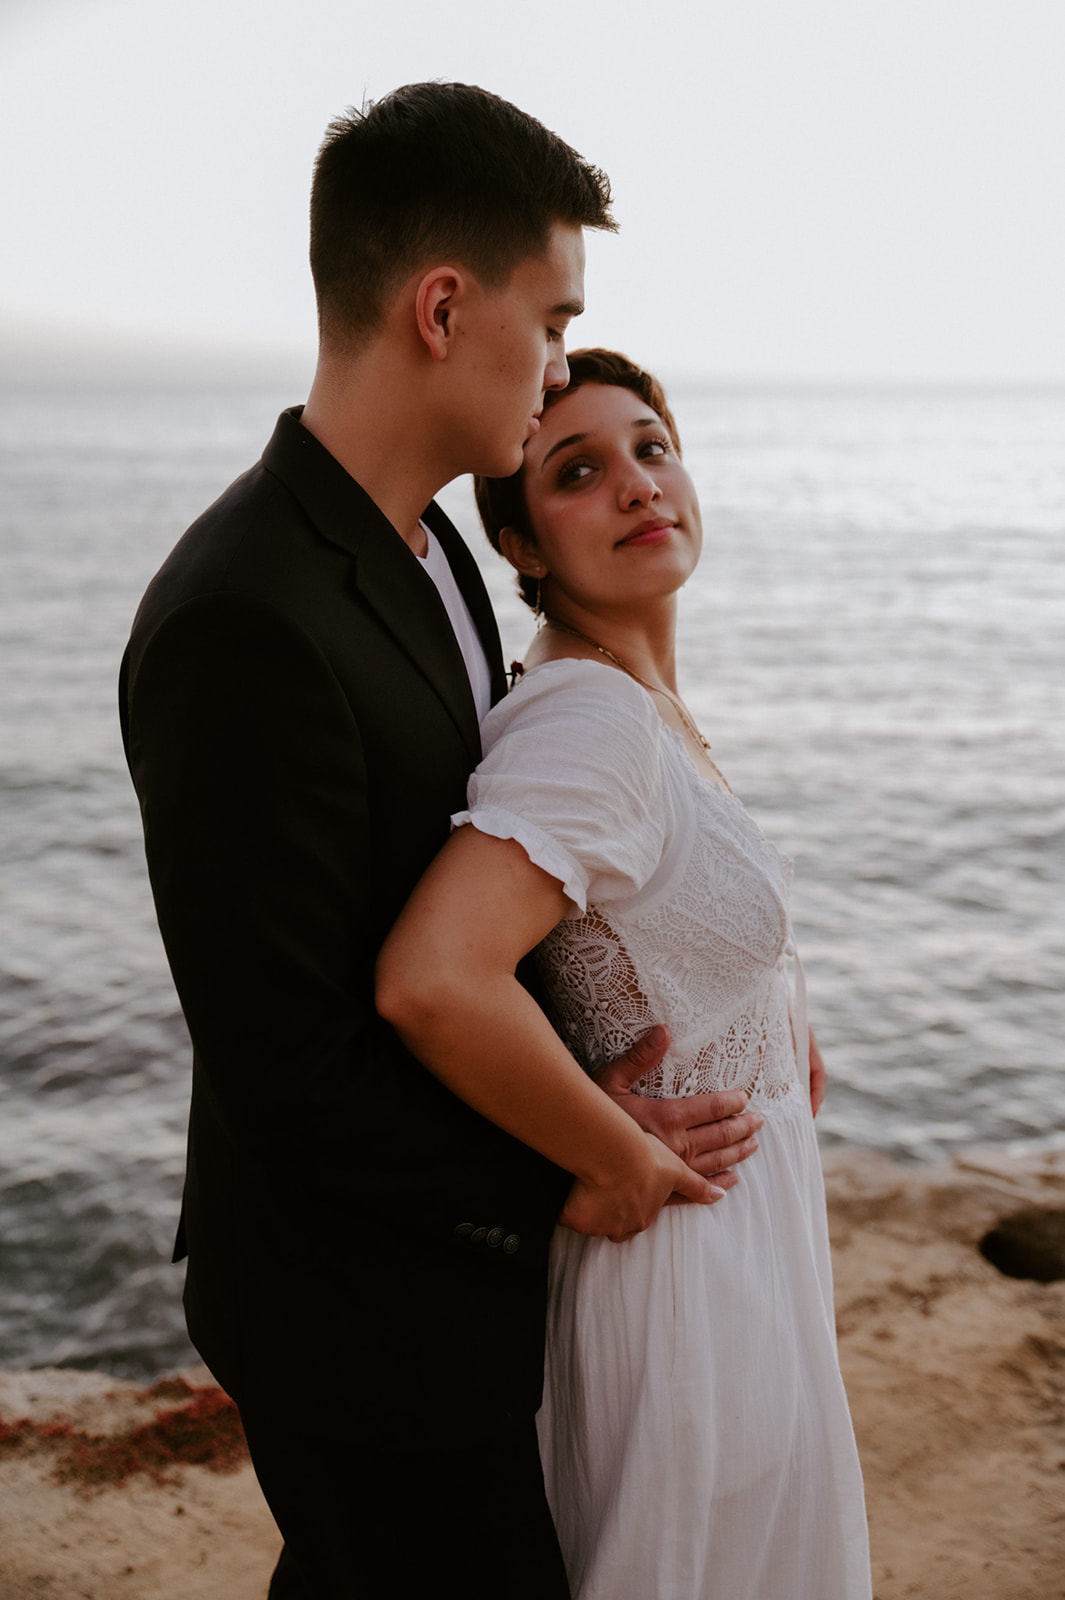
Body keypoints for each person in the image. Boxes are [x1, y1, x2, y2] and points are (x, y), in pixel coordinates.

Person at [119, 88, 764, 1598]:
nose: (554, 368)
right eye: (553, 322)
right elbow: (289, 1063)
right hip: (358, 1304)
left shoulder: (429, 554)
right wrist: (573, 1169)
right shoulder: (242, 614)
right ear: (442, 305)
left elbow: (495, 870)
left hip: (442, 1277)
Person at [376, 349, 873, 1599]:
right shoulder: (590, 723)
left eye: (653, 447)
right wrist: (611, 1150)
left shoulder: (639, 708)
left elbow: (630, 934)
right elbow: (435, 979)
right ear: (521, 544)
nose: (639, 485)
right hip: (686, 1273)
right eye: (580, 471)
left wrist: (766, 1013)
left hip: (742, 1244)